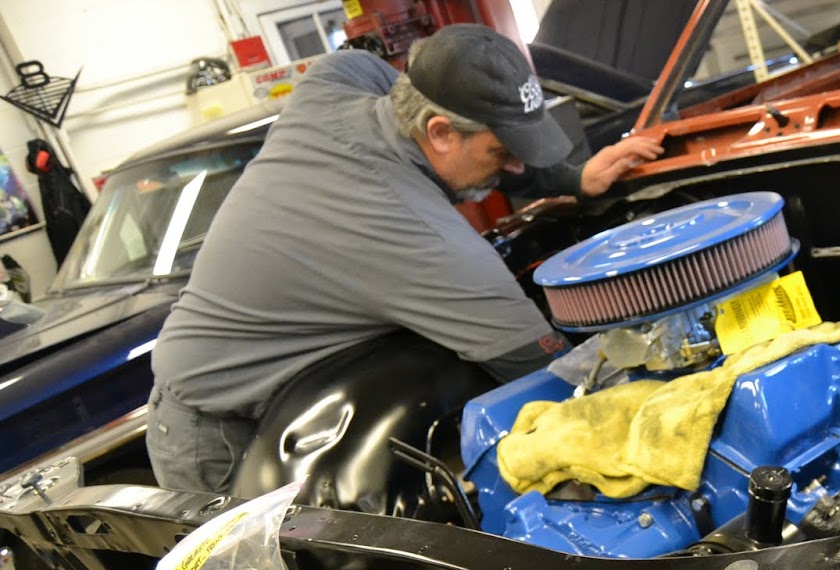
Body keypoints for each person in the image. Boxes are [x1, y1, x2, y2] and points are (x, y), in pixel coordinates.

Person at [147, 23, 662, 492]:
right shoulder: (409, 229)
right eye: (502, 152)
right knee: (269, 567)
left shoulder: (343, 78)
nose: (514, 166)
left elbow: (366, 71)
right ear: (439, 132)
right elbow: (544, 366)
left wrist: (574, 179)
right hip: (218, 430)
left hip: (300, 388)